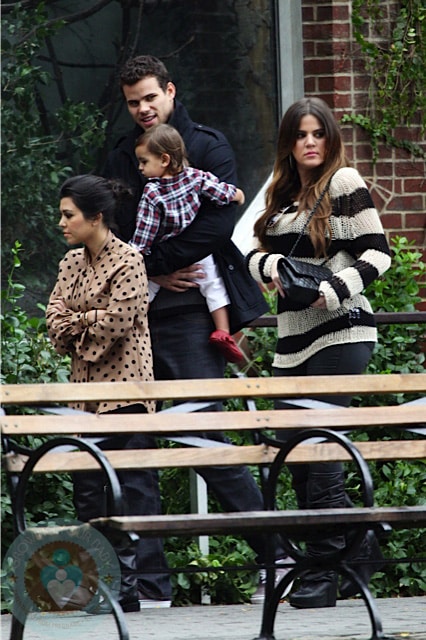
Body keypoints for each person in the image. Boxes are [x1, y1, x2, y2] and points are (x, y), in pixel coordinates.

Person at [103, 54, 288, 606]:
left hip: (189, 316)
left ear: (171, 91)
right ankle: (149, 582)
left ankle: (274, 555)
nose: (142, 108)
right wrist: (152, 268)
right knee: (132, 445)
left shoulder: (208, 146)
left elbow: (216, 227)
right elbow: (108, 227)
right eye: (133, 100)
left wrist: (152, 261)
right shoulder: (119, 154)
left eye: (150, 98)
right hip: (131, 316)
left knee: (202, 439)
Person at [246, 96, 392, 608]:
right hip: (293, 340)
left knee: (321, 452)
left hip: (342, 332)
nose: (310, 142)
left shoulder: (343, 183)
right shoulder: (281, 193)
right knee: (298, 460)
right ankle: (363, 548)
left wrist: (329, 291)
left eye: (318, 133)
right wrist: (268, 270)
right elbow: (255, 252)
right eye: (300, 134)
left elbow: (379, 251)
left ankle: (322, 574)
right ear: (289, 142)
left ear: (329, 138)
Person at [46, 174, 171, 612]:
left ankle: (130, 588)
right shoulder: (69, 264)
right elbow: (54, 324)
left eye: (68, 215)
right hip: (84, 395)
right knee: (87, 490)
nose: (61, 223)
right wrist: (82, 323)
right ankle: (95, 582)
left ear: (95, 216)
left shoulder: (130, 260)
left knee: (132, 490)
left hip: (127, 392)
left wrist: (76, 322)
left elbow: (117, 324)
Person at [130, 123, 245, 363]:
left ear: (163, 159)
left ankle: (132, 330)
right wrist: (237, 194)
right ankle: (223, 332)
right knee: (213, 284)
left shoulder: (152, 192)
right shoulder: (195, 176)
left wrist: (136, 256)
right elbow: (220, 192)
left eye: (143, 161)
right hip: (194, 246)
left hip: (163, 247)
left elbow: (144, 231)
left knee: (145, 291)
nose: (140, 168)